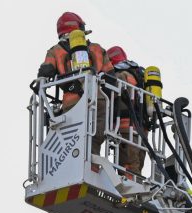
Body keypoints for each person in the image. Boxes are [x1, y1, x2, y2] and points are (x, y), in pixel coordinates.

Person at [37, 12, 113, 153]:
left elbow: (45, 73)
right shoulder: (97, 49)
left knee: (71, 142)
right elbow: (112, 78)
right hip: (99, 100)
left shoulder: (56, 51)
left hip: (72, 103)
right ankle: (92, 165)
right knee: (93, 142)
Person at [106, 46, 147, 175]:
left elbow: (108, 95)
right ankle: (137, 190)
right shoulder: (140, 74)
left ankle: (131, 195)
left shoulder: (119, 75)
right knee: (138, 165)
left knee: (128, 166)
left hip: (126, 127)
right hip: (143, 129)